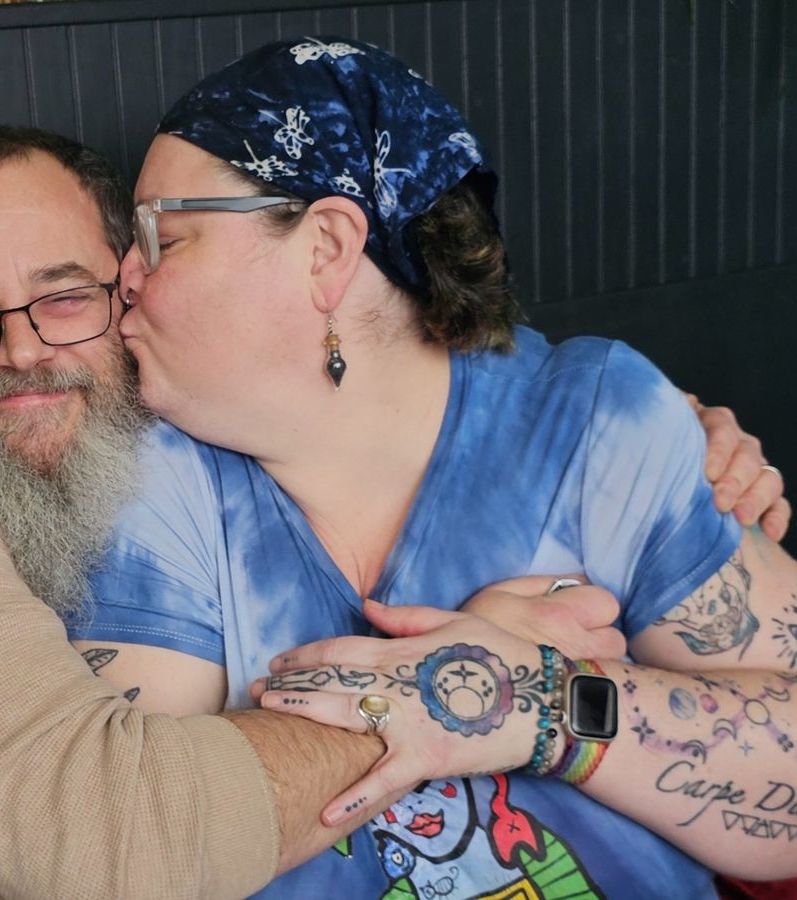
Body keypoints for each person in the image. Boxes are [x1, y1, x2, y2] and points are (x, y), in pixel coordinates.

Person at [0, 119, 782, 899]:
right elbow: (124, 846)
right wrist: (465, 679)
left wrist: (661, 432)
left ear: (136, 304)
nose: (20, 351)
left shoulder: (140, 497)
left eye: (66, 297)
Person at [66, 38, 797, 898]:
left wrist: (540, 702)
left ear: (326, 248)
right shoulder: (149, 472)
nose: (123, 276)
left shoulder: (593, 423)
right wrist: (459, 689)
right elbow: (140, 847)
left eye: (163, 235)